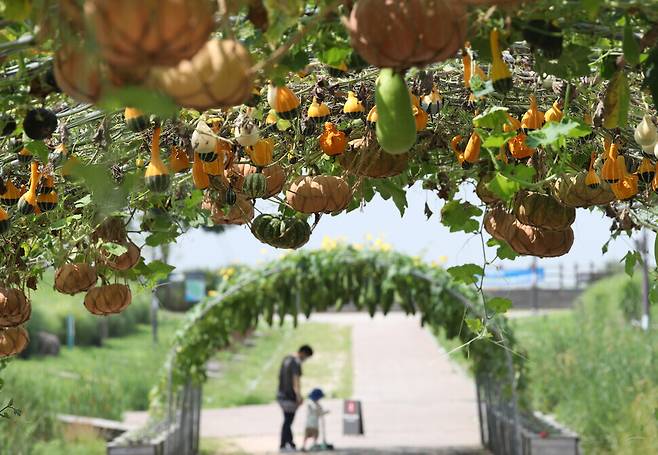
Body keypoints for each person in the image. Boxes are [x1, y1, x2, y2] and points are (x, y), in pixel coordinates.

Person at [277, 344, 313, 452]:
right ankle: (284, 444)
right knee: (288, 421)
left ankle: (289, 442)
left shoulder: (286, 359)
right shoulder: (296, 363)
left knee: (287, 419)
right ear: (303, 353)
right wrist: (298, 395)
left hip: (281, 394)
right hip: (289, 396)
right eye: (306, 357)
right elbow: (296, 380)